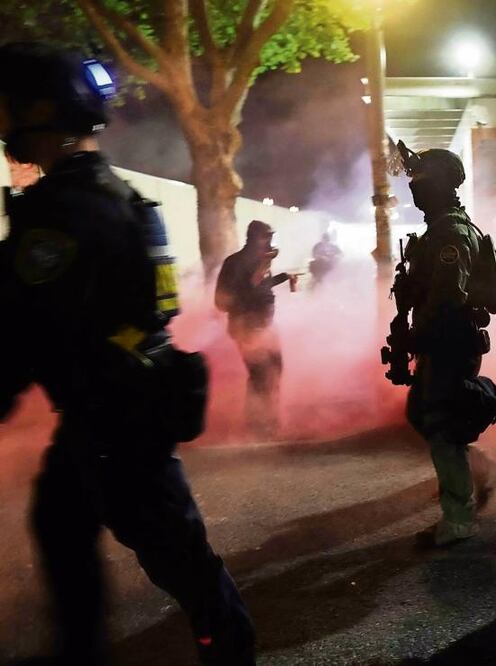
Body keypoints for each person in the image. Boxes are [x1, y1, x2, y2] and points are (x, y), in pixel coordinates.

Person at [0, 42, 253, 665]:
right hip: (125, 406)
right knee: (79, 534)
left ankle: (229, 649)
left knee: (174, 557)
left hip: (112, 418)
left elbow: (23, 330)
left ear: (41, 111)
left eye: (9, 107)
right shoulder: (122, 197)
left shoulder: (60, 213)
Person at [388, 141, 496, 547]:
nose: (415, 191)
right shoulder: (439, 228)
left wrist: (415, 336)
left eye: (422, 183)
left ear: (442, 185)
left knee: (440, 424)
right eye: (414, 183)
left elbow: (446, 297)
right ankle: (486, 470)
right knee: (422, 414)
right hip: (441, 337)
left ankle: (458, 518)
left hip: (450, 339)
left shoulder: (451, 233)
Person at [215, 220, 296, 437]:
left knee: (276, 370)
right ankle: (257, 426)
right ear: (252, 238)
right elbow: (223, 301)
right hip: (248, 327)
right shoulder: (235, 262)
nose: (269, 242)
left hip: (267, 325)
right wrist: (260, 271)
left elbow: (261, 287)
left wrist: (283, 277)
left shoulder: (261, 261)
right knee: (261, 374)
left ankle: (270, 420)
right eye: (265, 237)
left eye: (271, 237)